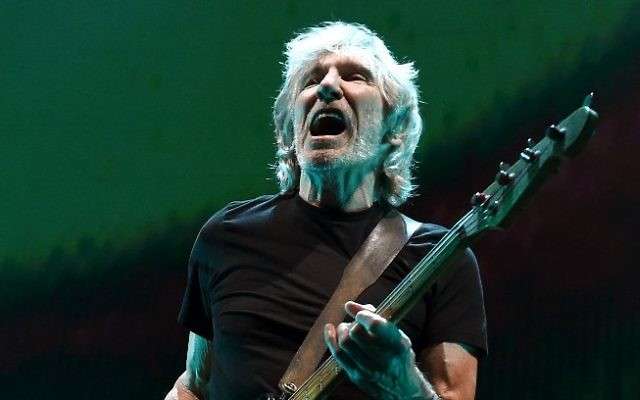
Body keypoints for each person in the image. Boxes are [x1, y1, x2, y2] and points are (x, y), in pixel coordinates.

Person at [165, 21, 487, 400]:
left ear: (393, 129)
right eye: (310, 81)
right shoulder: (226, 234)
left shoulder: (440, 258)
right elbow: (194, 385)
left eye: (355, 76)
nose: (328, 86)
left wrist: (405, 385)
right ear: (288, 131)